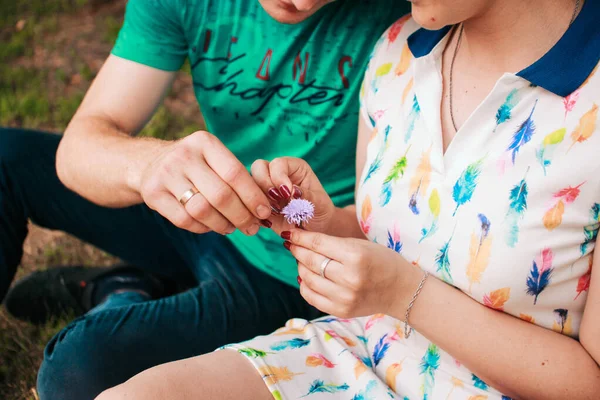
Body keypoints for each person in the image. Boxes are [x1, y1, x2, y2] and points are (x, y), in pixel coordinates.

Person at [97, 0, 600, 399]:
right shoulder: (397, 50)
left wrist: (408, 295)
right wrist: (314, 218)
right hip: (353, 356)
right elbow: (381, 240)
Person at [0, 0, 411, 398]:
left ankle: (128, 290)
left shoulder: (411, 15)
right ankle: (149, 285)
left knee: (74, 374)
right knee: (7, 159)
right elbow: (78, 151)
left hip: (289, 270)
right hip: (203, 209)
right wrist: (150, 165)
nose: (302, 2)